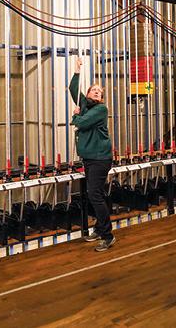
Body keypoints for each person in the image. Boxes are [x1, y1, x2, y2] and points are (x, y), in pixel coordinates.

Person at [69, 56, 115, 251]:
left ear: (101, 98)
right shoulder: (86, 105)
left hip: (100, 159)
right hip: (90, 158)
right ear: (88, 94)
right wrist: (77, 70)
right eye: (94, 90)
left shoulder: (101, 110)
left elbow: (81, 122)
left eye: (100, 92)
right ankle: (99, 228)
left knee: (94, 195)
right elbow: (73, 89)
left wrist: (76, 115)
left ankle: (107, 235)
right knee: (96, 195)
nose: (97, 92)